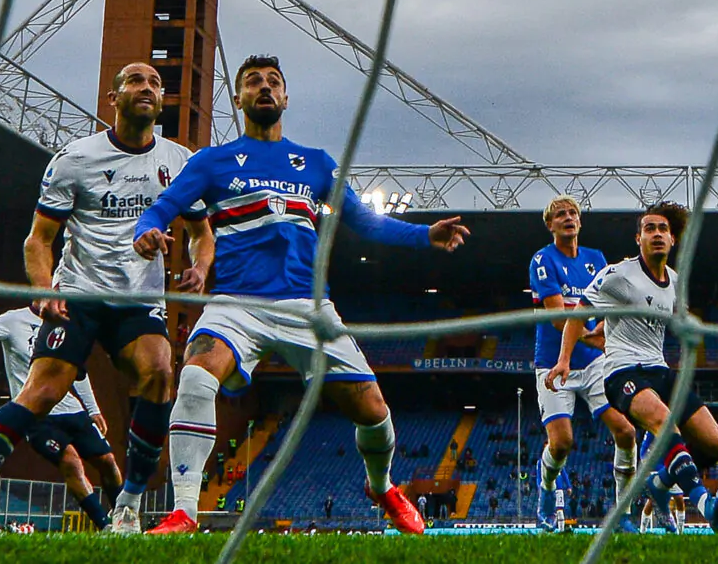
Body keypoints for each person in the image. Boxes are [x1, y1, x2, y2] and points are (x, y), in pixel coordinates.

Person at [129, 53, 470, 535]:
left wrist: (423, 235)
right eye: (253, 82)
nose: (264, 88)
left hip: (307, 307)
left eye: (273, 82)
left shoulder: (314, 164)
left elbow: (363, 221)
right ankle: (185, 509)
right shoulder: (211, 162)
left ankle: (382, 485)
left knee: (373, 411)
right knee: (195, 377)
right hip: (234, 304)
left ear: (286, 98)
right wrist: (147, 231)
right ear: (239, 99)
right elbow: (164, 207)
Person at [0, 60, 206, 534]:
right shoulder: (75, 159)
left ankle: (128, 510)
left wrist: (199, 266)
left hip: (139, 300)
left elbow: (202, 231)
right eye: (135, 80)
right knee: (42, 393)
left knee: (160, 373)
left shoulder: (179, 161)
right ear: (112, 99)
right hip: (78, 293)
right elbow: (38, 239)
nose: (148, 88)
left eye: (156, 83)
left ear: (162, 102)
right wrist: (43, 289)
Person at [548, 202, 718, 533]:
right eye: (649, 229)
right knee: (665, 424)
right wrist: (564, 360)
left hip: (660, 371)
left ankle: (661, 483)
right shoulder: (619, 275)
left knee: (716, 444)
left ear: (673, 239)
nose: (657, 234)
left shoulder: (675, 281)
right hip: (623, 373)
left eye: (663, 229)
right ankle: (705, 505)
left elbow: (673, 320)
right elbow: (579, 313)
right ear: (639, 239)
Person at [0, 302, 122, 530]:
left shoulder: (66, 321)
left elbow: (78, 372)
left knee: (108, 462)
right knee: (70, 462)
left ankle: (124, 517)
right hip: (36, 415)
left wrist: (93, 409)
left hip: (72, 409)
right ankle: (105, 526)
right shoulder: (12, 320)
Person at [527, 195, 640, 529]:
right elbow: (559, 319)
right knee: (562, 443)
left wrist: (607, 327)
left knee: (626, 431)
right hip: (553, 362)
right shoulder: (542, 260)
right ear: (550, 225)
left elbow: (608, 305)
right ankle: (546, 490)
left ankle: (623, 514)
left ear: (580, 221)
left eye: (573, 212)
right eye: (560, 214)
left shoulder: (596, 259)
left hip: (593, 365)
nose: (568, 217)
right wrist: (596, 336)